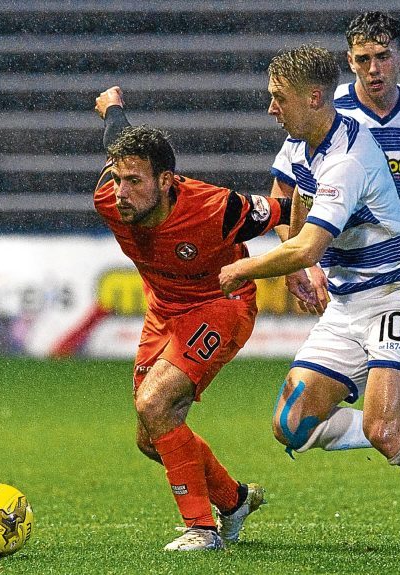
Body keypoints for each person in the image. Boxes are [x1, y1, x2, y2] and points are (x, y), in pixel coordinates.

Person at [220, 44, 400, 555]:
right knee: (292, 426)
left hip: (397, 298)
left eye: (278, 98)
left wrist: (242, 268)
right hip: (346, 305)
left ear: (313, 99)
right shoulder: (302, 142)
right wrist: (299, 265)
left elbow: (310, 243)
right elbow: (295, 200)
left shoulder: (349, 160)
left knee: (383, 429)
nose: (271, 108)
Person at [93, 100, 292, 550]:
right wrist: (113, 110)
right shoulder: (110, 198)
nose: (122, 192)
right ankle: (234, 499)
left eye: (134, 182)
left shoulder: (216, 209)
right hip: (163, 311)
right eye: (119, 179)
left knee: (155, 405)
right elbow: (117, 144)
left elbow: (291, 208)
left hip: (222, 303)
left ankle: (202, 529)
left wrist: (301, 264)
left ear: (166, 182)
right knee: (151, 438)